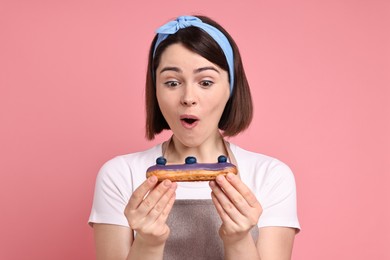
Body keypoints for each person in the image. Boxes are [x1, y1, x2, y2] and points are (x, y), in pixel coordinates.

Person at [89, 15, 300, 260]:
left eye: (206, 82)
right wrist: (148, 243)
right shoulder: (119, 174)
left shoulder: (271, 176)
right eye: (172, 82)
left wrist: (238, 240)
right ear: (155, 90)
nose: (188, 97)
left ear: (230, 89)